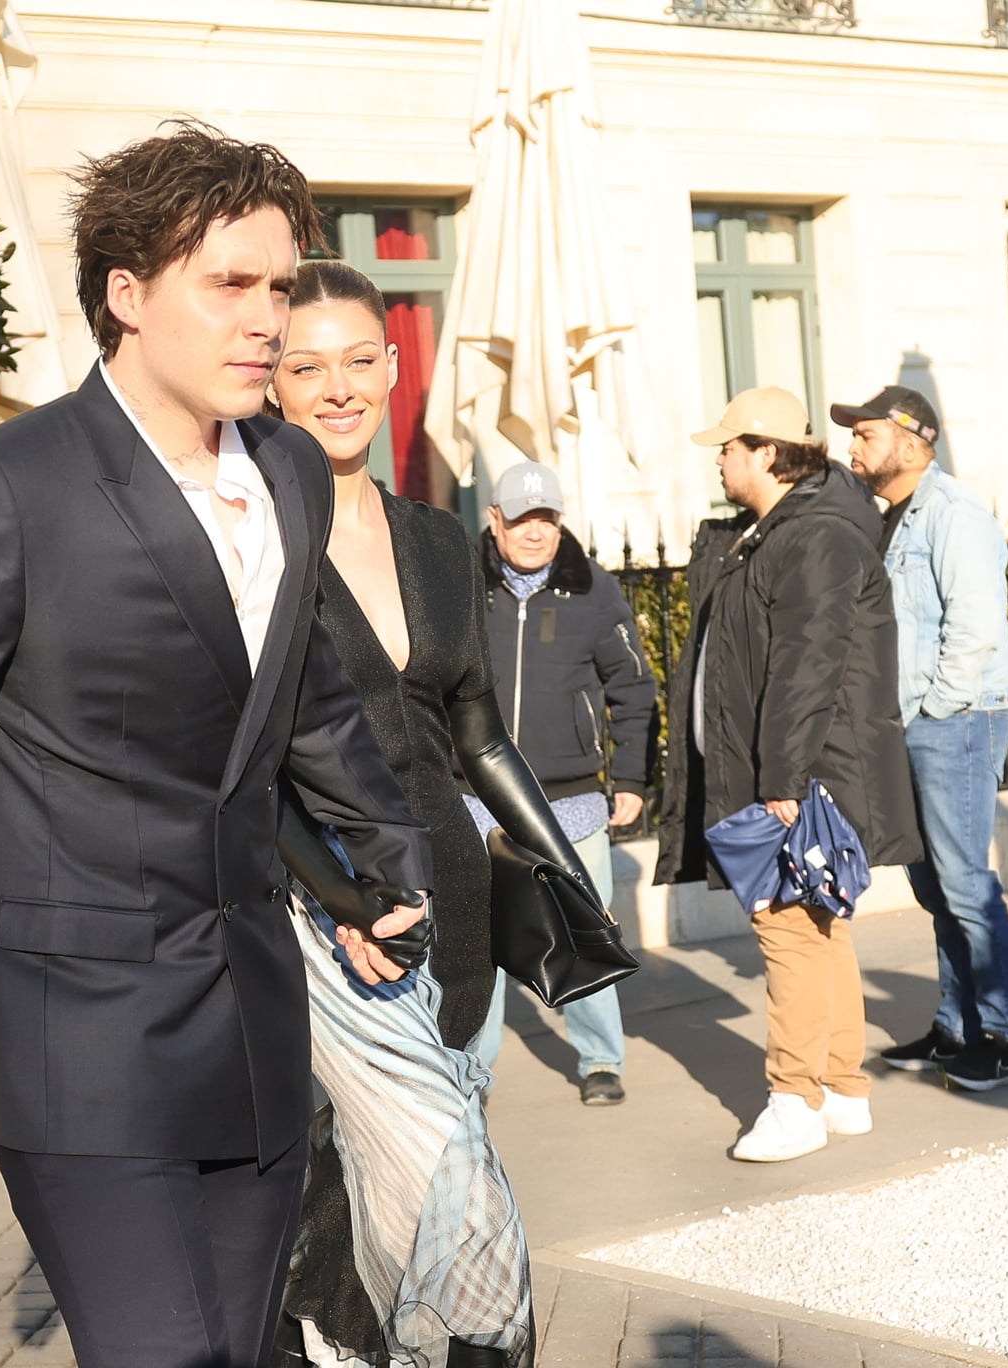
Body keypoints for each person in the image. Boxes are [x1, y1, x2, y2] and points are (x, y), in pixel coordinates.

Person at [0, 124, 436, 1368]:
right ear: (126, 297)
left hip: (251, 1022)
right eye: (229, 285)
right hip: (71, 1031)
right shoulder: (3, 488)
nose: (270, 322)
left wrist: (382, 859)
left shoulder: (292, 471)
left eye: (281, 285)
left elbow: (298, 700)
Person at [266, 260, 601, 1368]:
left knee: (408, 1199)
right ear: (268, 381)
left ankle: (344, 1343)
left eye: (358, 360)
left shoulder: (437, 538)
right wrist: (341, 899)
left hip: (454, 909)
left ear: (393, 367)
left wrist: (562, 875)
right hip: (335, 923)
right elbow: (252, 770)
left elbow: (476, 733)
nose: (336, 387)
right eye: (304, 365)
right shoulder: (248, 543)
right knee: (460, 1225)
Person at [655, 386, 921, 1163]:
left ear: (767, 453)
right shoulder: (777, 532)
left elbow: (808, 666)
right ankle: (840, 1086)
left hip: (800, 777)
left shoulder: (814, 536)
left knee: (787, 929)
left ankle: (795, 1098)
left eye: (730, 447)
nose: (719, 457)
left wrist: (780, 778)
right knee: (818, 927)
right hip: (796, 772)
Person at [836, 385, 1008, 1091]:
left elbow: (975, 628)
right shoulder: (895, 519)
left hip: (956, 720)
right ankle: (957, 1026)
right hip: (917, 723)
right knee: (934, 886)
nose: (853, 447)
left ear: (913, 439)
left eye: (865, 435)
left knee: (964, 883)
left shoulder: (954, 515)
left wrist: (935, 712)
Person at [464, 462, 658, 1107]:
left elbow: (633, 688)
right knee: (479, 940)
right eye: (521, 520)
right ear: (495, 521)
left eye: (545, 519)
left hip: (571, 801)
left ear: (559, 522)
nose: (534, 532)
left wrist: (629, 775)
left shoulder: (595, 590)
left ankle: (600, 1060)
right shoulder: (460, 586)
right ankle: (472, 1069)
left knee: (585, 933)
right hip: (477, 799)